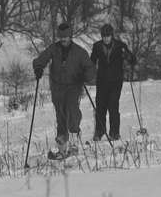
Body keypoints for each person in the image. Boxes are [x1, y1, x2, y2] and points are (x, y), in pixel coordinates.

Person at [32, 22, 94, 157]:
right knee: (60, 114)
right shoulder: (54, 49)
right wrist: (38, 67)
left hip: (73, 85)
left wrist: (85, 76)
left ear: (70, 36)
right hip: (57, 86)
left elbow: (90, 68)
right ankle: (62, 144)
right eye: (61, 37)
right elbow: (42, 58)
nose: (63, 40)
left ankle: (73, 142)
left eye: (66, 37)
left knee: (72, 110)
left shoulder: (79, 52)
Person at [90, 23, 137, 141]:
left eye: (108, 36)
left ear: (112, 35)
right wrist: (85, 72)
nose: (106, 38)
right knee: (100, 106)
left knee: (113, 106)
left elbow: (132, 59)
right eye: (104, 36)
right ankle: (99, 131)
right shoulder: (97, 46)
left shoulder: (120, 46)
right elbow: (92, 62)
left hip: (116, 81)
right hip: (101, 81)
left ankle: (114, 132)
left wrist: (129, 57)